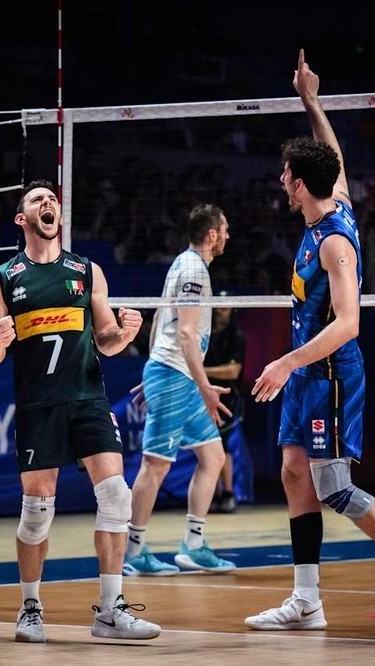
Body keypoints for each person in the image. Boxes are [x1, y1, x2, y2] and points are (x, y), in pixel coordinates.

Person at [244, 49, 375, 632]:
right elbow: (332, 156)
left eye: (285, 175)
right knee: (293, 472)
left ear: (299, 183)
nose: (281, 182)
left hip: (332, 373)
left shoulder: (335, 242)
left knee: (334, 488)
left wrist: (284, 363)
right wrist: (310, 100)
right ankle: (306, 600)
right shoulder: (329, 202)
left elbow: (347, 324)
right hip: (307, 372)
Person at [0, 179, 160, 643]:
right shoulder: (2, 278)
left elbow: (107, 341)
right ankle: (30, 609)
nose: (48, 203)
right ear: (22, 219)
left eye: (52, 200)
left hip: (88, 397)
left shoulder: (86, 270)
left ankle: (110, 610)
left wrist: (126, 333)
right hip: (38, 404)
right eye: (37, 200)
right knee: (37, 512)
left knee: (116, 495)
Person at [123, 203, 236, 577]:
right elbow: (185, 333)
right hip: (177, 376)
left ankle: (194, 546)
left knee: (213, 457)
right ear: (212, 235)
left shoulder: (186, 264)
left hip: (174, 373)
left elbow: (160, 317)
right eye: (225, 229)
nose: (228, 236)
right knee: (156, 464)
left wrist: (155, 366)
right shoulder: (193, 270)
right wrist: (202, 386)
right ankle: (133, 552)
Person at [204, 300, 246, 514]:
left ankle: (228, 493)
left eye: (226, 305)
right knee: (207, 446)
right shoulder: (204, 333)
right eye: (218, 305)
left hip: (227, 399)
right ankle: (213, 494)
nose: (221, 309)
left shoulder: (236, 336)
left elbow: (233, 371)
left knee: (222, 445)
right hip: (202, 396)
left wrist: (198, 371)